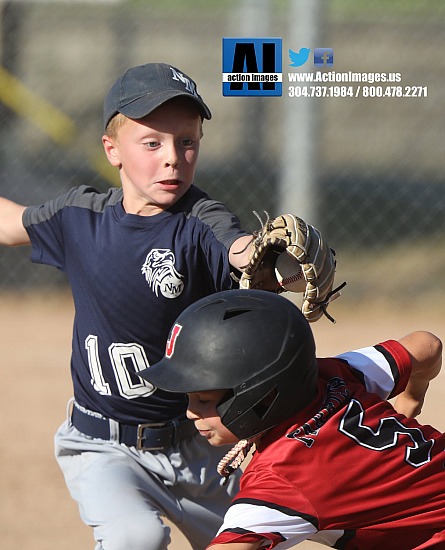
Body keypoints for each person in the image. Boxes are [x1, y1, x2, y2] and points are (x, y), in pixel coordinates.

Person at [0, 62, 286, 550]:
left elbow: (239, 249)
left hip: (202, 448)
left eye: (187, 142)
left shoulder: (200, 220)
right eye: (152, 143)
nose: (172, 158)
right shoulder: (80, 218)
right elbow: (12, 225)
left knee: (257, 541)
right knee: (136, 538)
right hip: (104, 445)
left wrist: (270, 258)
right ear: (112, 150)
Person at [139, 289, 445, 550]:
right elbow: (427, 346)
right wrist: (410, 398)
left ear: (262, 394)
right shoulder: (331, 377)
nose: (191, 412)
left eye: (203, 400)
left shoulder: (284, 476)